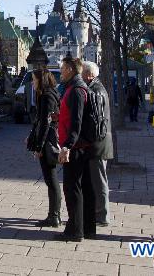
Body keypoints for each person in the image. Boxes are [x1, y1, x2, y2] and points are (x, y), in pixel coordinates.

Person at [57, 56, 96, 242]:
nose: (61, 71)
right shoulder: (76, 88)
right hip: (80, 144)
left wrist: (67, 146)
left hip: (77, 146)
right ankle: (86, 228)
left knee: (73, 188)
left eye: (63, 68)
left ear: (71, 70)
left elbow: (76, 122)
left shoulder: (76, 90)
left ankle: (75, 230)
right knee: (82, 187)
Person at [26, 69, 61, 227]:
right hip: (48, 140)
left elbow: (45, 123)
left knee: (51, 180)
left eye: (34, 79)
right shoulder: (50, 93)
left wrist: (39, 147)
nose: (32, 83)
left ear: (41, 80)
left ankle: (54, 216)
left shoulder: (46, 96)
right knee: (51, 180)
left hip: (48, 142)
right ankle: (54, 214)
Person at [82, 61, 113, 227]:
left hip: (98, 143)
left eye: (81, 73)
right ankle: (97, 213)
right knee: (97, 179)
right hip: (98, 142)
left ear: (89, 75)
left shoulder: (95, 91)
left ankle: (102, 215)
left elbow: (96, 121)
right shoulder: (96, 88)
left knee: (99, 179)